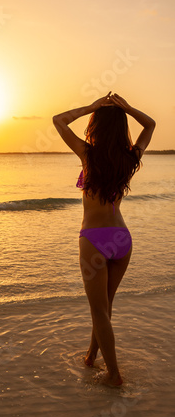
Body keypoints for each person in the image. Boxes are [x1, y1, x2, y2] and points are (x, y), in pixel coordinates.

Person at [52, 92, 156, 387]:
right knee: (105, 307)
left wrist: (91, 106)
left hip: (95, 239)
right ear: (122, 126)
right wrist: (129, 108)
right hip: (122, 239)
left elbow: (58, 121)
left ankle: (113, 375)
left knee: (99, 310)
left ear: (96, 126)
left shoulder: (88, 154)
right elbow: (150, 126)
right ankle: (90, 356)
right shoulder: (129, 157)